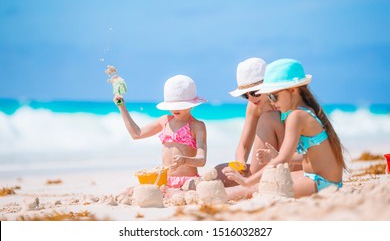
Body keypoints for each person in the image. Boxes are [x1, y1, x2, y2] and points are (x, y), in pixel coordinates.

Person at [223, 58, 346, 198]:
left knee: (260, 189)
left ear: (292, 90)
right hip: (325, 181)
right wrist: (273, 157)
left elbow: (283, 160)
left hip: (320, 182)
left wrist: (246, 182)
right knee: (257, 185)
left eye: (274, 96)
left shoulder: (296, 116)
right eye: (246, 95)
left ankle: (224, 194)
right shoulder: (306, 111)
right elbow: (310, 156)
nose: (273, 102)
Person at [114, 74, 208, 189]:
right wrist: (122, 107)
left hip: (188, 181)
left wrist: (184, 160)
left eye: (180, 105)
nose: (175, 109)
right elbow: (136, 134)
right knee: (131, 190)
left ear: (191, 105)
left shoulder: (197, 126)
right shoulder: (165, 121)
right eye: (172, 105)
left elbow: (202, 160)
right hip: (165, 180)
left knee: (178, 193)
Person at [215, 58, 289, 200]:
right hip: (266, 163)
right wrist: (241, 161)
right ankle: (252, 177)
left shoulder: (283, 103)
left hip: (287, 162)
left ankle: (252, 180)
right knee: (219, 171)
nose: (251, 98)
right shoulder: (254, 106)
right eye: (245, 95)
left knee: (267, 119)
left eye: (254, 92)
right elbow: (243, 146)